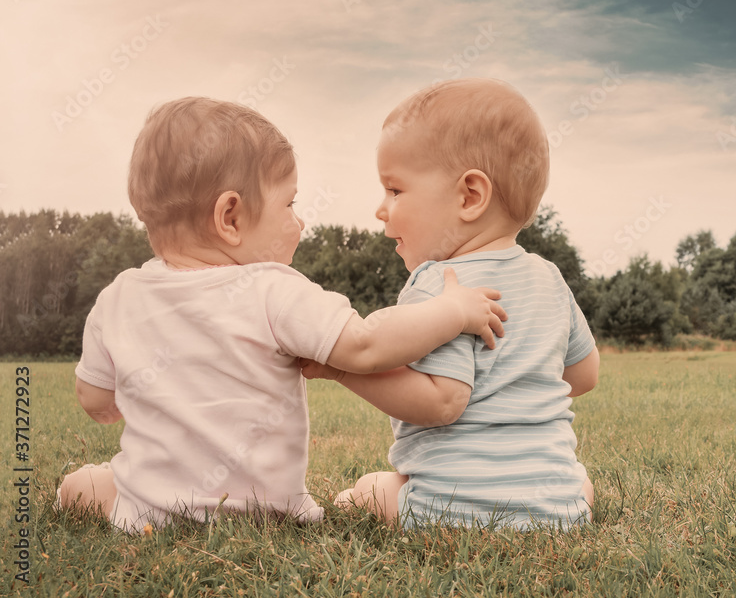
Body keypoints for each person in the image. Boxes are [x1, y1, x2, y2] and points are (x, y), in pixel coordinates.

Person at [57, 97, 507, 534]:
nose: (301, 223)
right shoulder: (273, 288)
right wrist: (450, 311)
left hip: (150, 513)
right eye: (290, 205)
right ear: (229, 217)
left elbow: (96, 402)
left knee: (85, 485)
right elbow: (366, 344)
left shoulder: (118, 297)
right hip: (267, 515)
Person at [303, 78, 600, 530]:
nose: (382, 209)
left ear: (469, 197)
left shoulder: (439, 283)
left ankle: (356, 499)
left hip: (446, 509)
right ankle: (552, 505)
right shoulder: (549, 278)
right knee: (580, 482)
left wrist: (343, 369)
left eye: (395, 190)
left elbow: (441, 403)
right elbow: (584, 374)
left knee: (368, 488)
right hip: (555, 509)